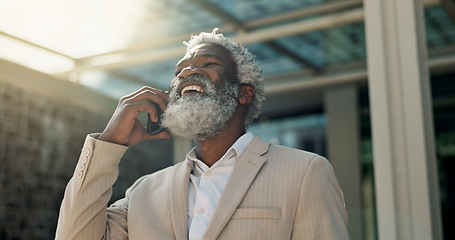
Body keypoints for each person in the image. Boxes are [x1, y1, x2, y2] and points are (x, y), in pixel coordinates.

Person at [55, 29, 349, 240]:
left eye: (208, 64)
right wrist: (109, 143)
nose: (186, 73)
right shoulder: (143, 191)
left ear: (244, 93)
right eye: (180, 70)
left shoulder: (305, 172)